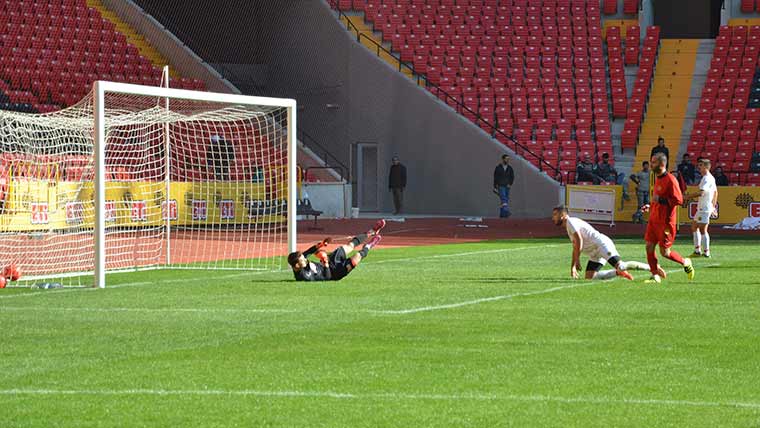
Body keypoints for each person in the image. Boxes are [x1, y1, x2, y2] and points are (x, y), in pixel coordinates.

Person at [552, 206, 649, 280]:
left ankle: (652, 267)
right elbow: (575, 246)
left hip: (601, 245)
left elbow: (579, 240)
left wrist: (577, 260)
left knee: (621, 266)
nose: (553, 218)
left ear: (563, 215)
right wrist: (572, 267)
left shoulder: (570, 222)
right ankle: (618, 273)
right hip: (594, 252)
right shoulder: (569, 226)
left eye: (555, 215)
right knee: (590, 277)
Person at [642, 153, 695, 283]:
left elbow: (679, 200)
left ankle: (685, 262)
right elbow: (657, 199)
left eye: (653, 162)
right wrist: (650, 205)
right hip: (654, 220)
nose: (651, 164)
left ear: (661, 164)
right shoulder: (657, 178)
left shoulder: (671, 180)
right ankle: (655, 275)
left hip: (665, 222)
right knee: (649, 246)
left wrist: (660, 200)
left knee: (665, 253)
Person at [287, 220, 385, 281]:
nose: (305, 259)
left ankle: (371, 232)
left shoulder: (300, 263)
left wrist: (322, 244)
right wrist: (325, 263)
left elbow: (309, 251)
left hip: (330, 261)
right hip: (335, 273)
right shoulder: (305, 277)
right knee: (357, 258)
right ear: (296, 265)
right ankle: (369, 245)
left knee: (349, 246)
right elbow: (327, 277)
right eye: (302, 260)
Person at [684, 159, 718, 258]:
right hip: (704, 207)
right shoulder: (711, 178)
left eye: (701, 165)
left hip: (704, 208)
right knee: (694, 226)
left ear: (706, 166)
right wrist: (713, 207)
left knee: (702, 229)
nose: (699, 167)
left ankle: (705, 252)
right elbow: (716, 193)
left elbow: (701, 192)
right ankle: (698, 250)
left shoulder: (706, 179)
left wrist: (687, 197)